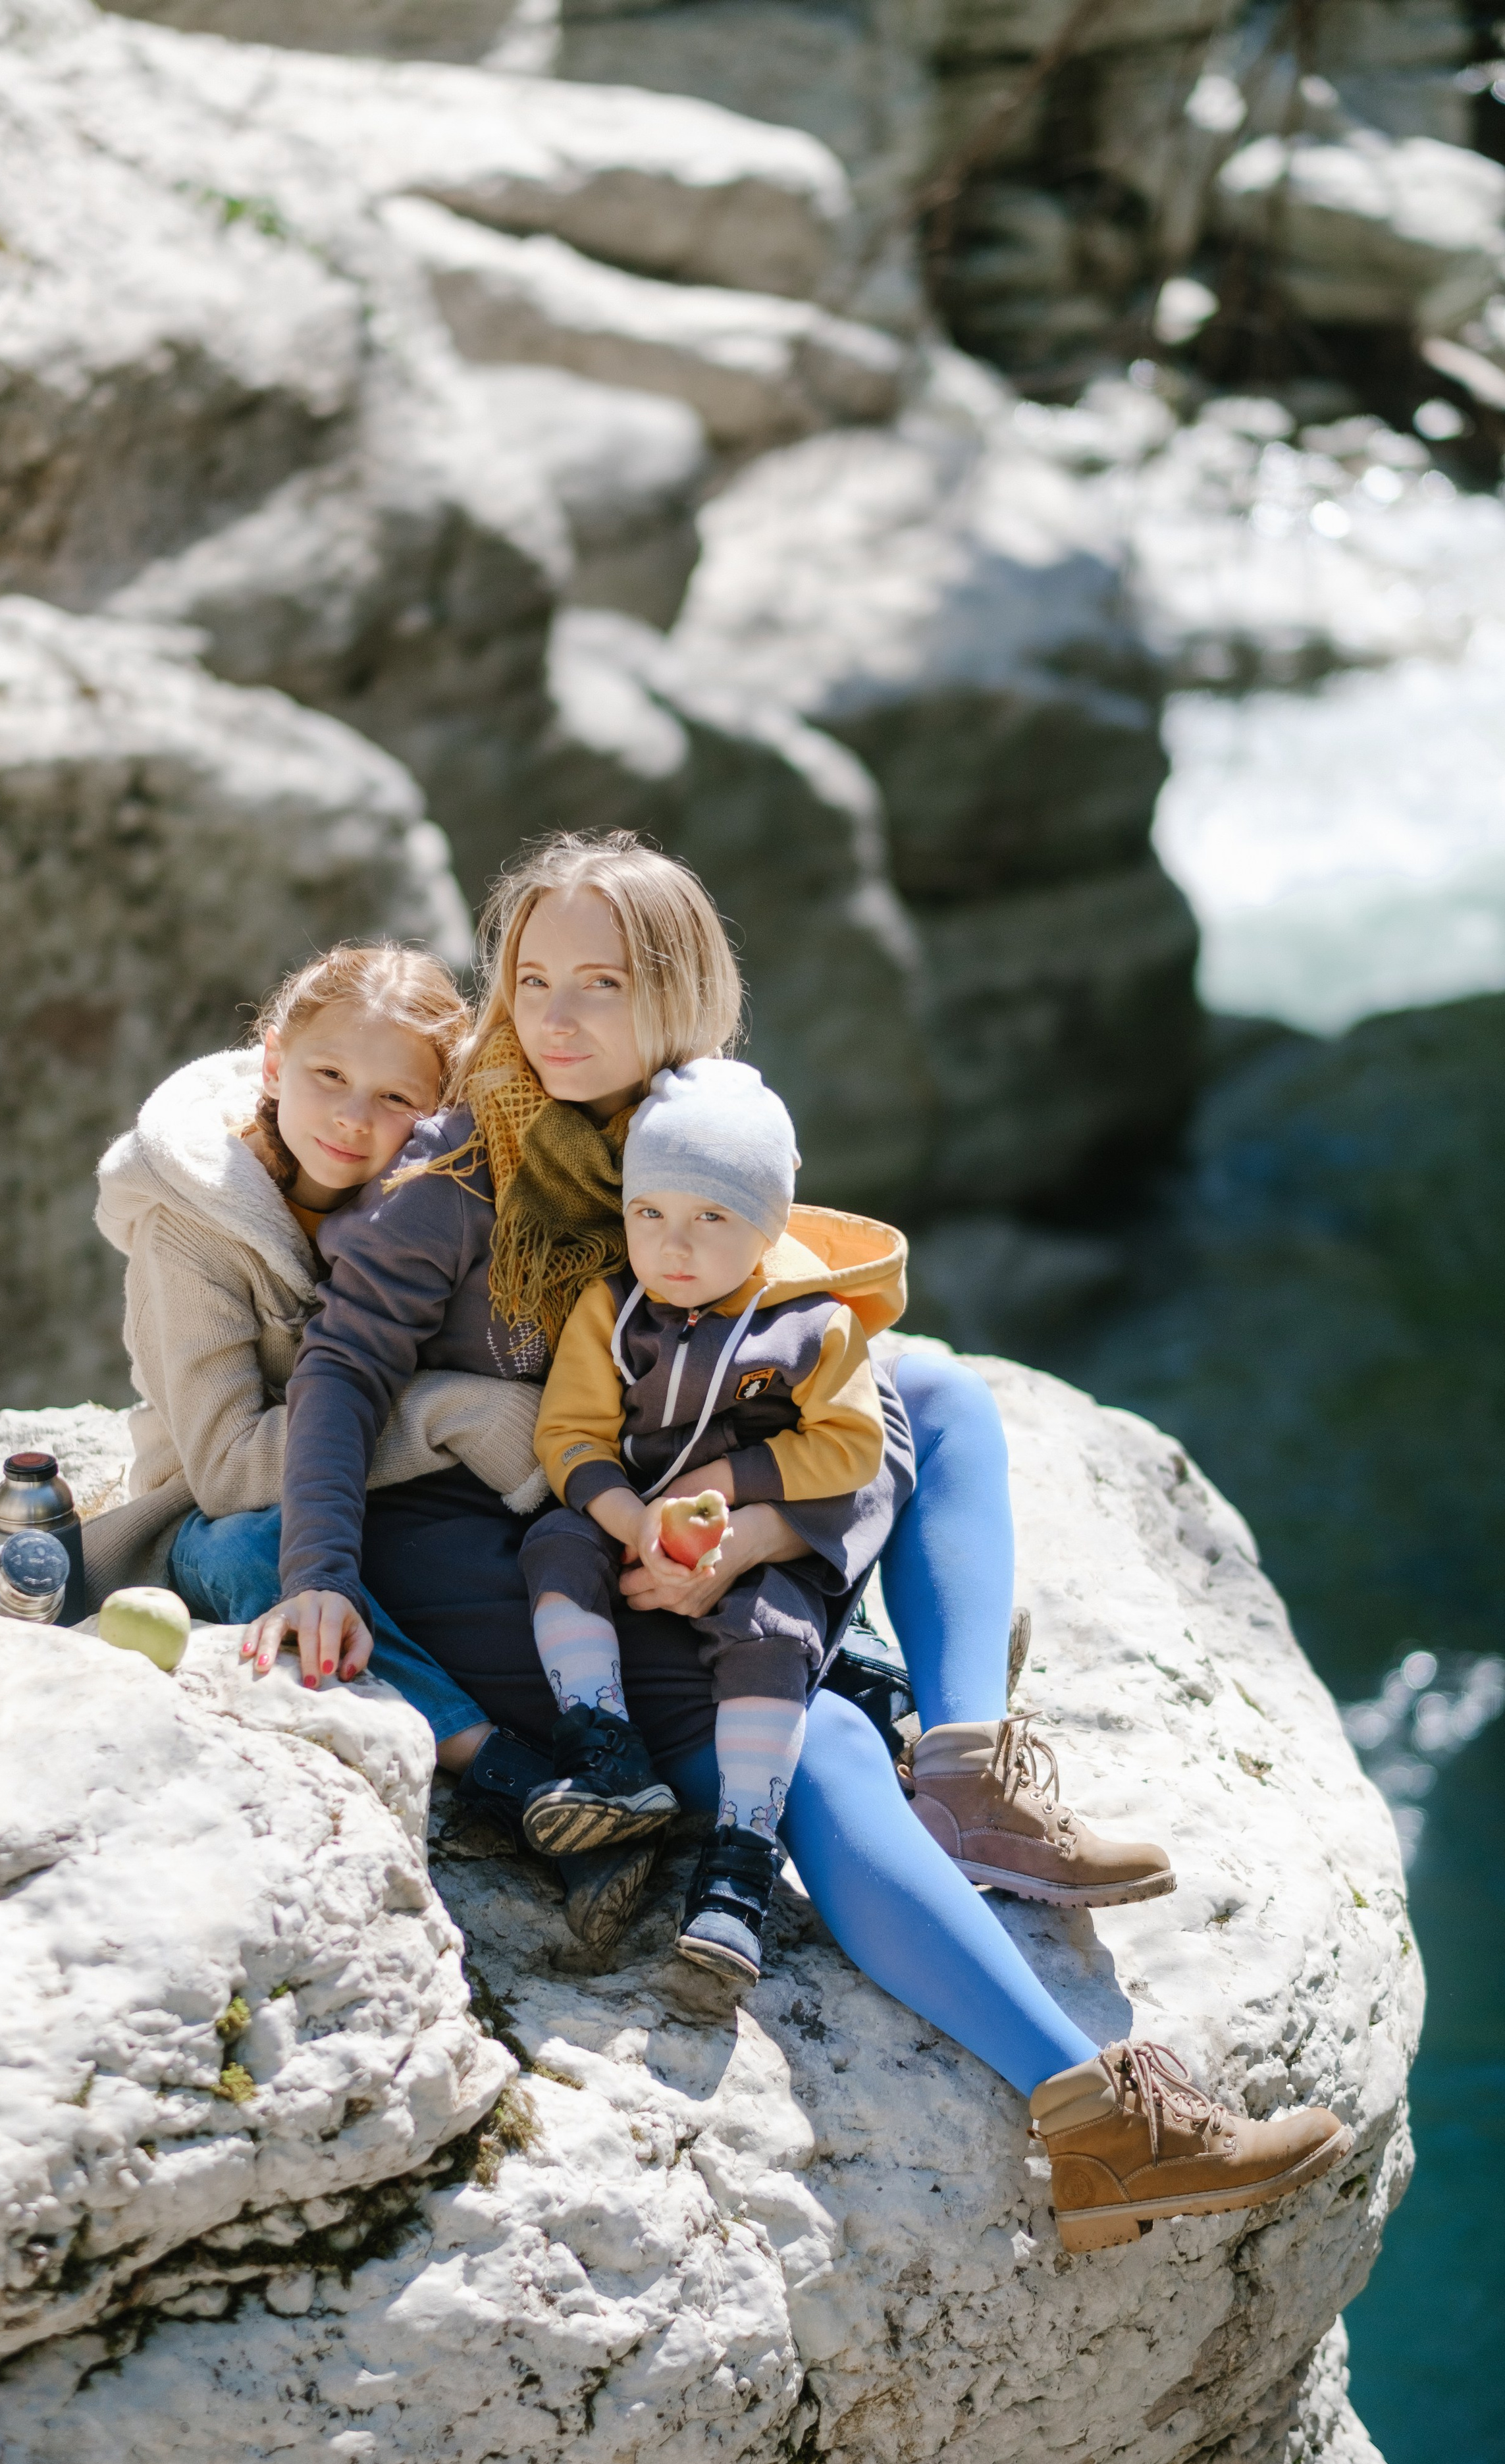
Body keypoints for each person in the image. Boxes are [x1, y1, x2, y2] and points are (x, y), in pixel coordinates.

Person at [238, 833, 1354, 2254]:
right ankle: (1095, 2122)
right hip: (507, 1559)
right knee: (815, 1742)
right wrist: (317, 1574)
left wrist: (751, 1528)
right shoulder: (458, 1175)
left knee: (936, 1392)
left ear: (682, 1000)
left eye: (603, 983)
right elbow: (337, 1375)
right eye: (531, 980)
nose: (560, 1018)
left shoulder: (702, 1145)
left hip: (679, 1518)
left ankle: (960, 1773)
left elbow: (838, 1382)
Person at [522, 1055, 909, 1985]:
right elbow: (569, 1431)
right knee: (554, 1543)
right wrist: (626, 1516)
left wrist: (728, 1483)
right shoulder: (612, 1308)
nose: (673, 1248)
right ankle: (602, 1740)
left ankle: (741, 1858)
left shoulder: (815, 1326)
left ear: (767, 1225)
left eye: (712, 1219)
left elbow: (850, 1449)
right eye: (650, 1214)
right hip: (638, 1515)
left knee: (770, 1626)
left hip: (766, 1526)